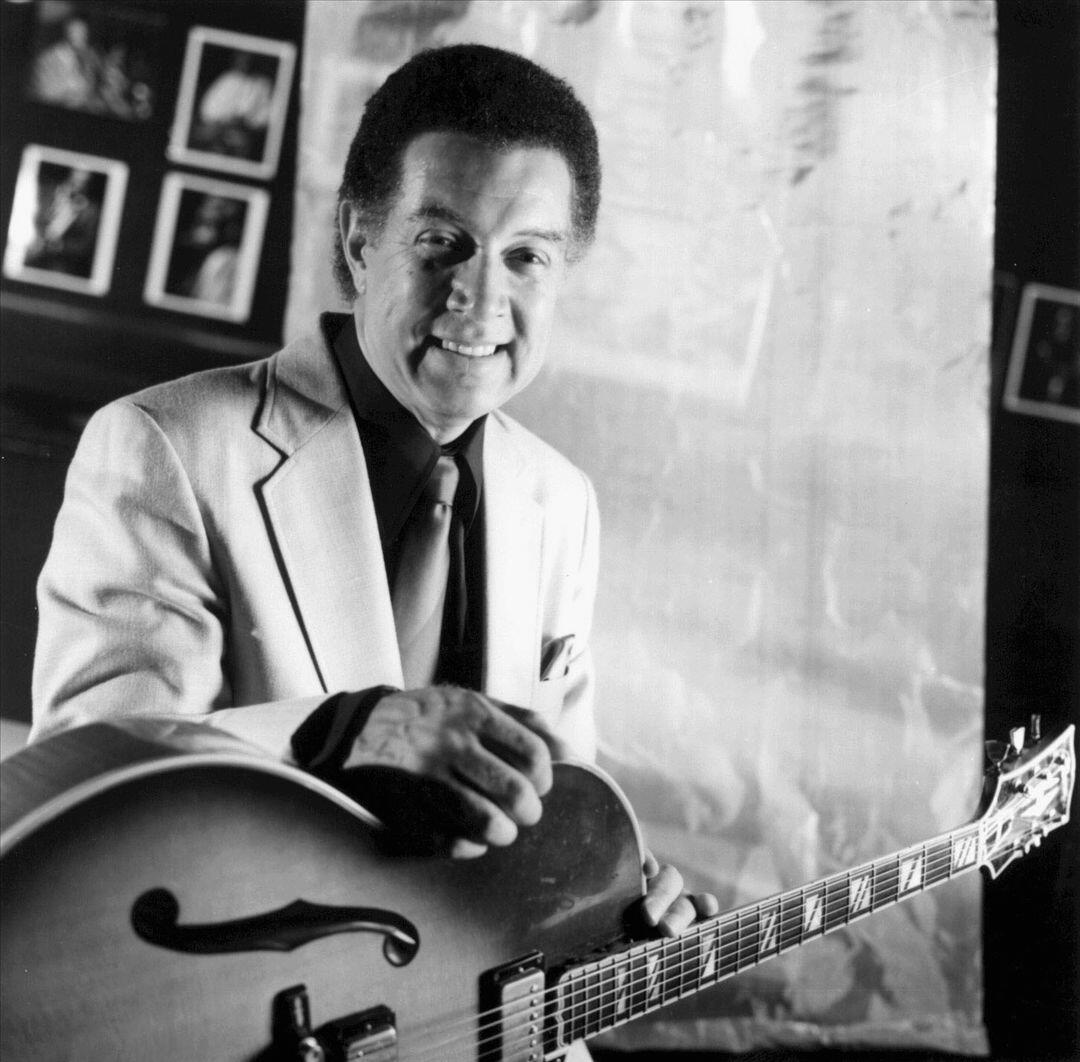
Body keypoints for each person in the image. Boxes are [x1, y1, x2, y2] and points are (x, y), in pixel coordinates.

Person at [32, 46, 717, 1034]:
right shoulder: (161, 444)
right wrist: (340, 733)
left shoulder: (563, 503)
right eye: (442, 243)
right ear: (359, 240)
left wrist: (612, 915)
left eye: (526, 257)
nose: (480, 301)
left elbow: (549, 829)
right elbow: (87, 785)